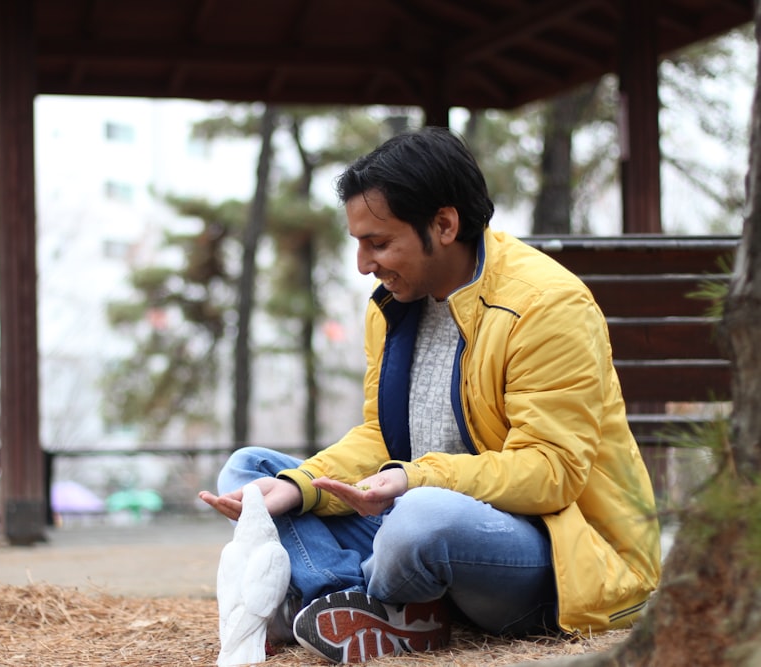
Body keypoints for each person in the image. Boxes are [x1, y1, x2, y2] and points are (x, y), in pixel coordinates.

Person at [198, 127, 662, 664]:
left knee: (422, 519)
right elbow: (380, 437)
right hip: (413, 512)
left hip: (549, 546)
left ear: (444, 224)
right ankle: (345, 601)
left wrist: (415, 477)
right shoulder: (394, 304)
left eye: (378, 242)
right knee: (250, 472)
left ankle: (325, 595)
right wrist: (297, 487)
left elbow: (551, 474)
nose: (363, 264)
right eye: (358, 243)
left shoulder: (547, 305)